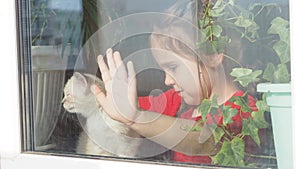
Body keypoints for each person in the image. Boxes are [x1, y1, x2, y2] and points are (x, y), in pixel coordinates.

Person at [90, 0, 259, 165]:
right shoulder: (177, 101)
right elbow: (128, 107)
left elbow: (202, 141)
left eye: (173, 67)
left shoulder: (242, 111)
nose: (167, 80)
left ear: (212, 55)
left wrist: (136, 118)